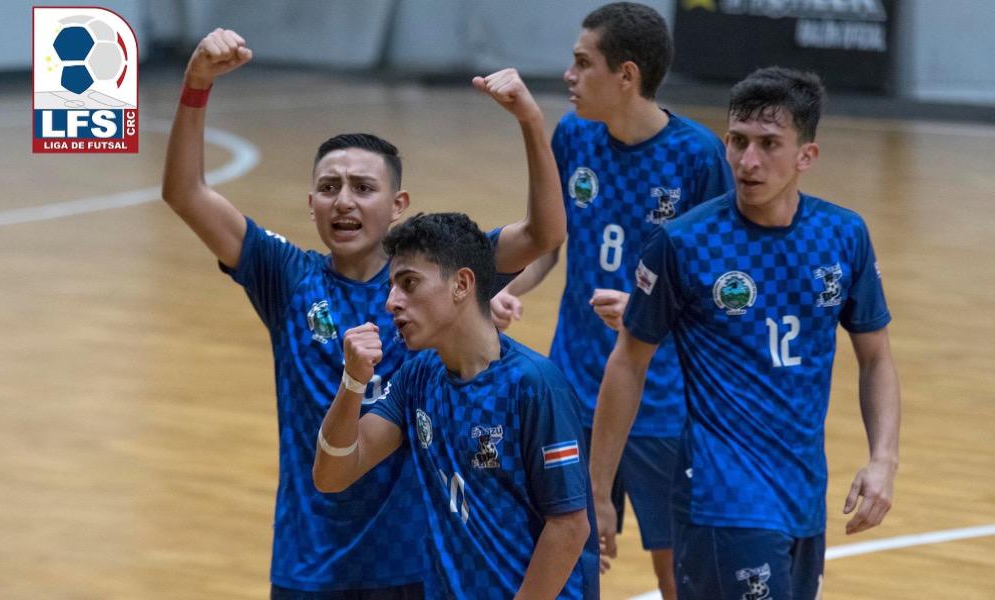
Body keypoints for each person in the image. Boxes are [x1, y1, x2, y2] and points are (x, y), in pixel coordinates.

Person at [161, 29, 566, 599]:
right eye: (328, 187)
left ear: (398, 205)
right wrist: (197, 83)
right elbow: (184, 192)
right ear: (310, 205)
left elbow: (547, 233)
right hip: (311, 560)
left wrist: (529, 120)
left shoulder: (434, 275)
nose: (343, 200)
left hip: (414, 563)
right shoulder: (287, 275)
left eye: (362, 186)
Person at [591, 66, 901, 600]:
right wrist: (598, 490)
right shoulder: (683, 244)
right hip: (721, 497)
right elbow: (628, 362)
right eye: (737, 141)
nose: (747, 161)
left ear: (807, 156)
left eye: (769, 144)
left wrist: (883, 460)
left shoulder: (843, 235)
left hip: (803, 496)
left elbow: (876, 357)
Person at [489, 3, 732, 596]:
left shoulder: (699, 157)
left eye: (581, 63)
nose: (568, 76)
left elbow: (725, 286)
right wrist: (503, 290)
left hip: (661, 397)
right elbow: (550, 242)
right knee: (564, 549)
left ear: (626, 75)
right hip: (572, 385)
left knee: (675, 568)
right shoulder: (575, 136)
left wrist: (654, 312)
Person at [312, 213, 599, 600]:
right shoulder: (418, 379)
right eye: (392, 286)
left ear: (461, 284)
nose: (391, 302)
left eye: (408, 283)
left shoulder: (534, 385)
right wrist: (352, 382)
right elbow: (333, 474)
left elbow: (569, 527)